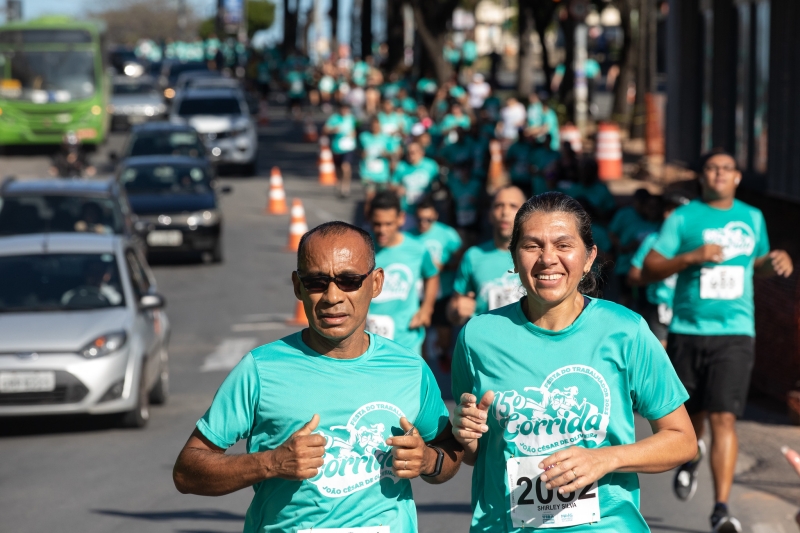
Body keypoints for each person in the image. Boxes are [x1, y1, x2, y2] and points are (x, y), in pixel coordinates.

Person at [173, 221, 463, 532]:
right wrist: (270, 463)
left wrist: (428, 461)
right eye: (316, 282)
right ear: (298, 286)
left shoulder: (410, 368)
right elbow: (186, 472)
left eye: (349, 280)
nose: (332, 296)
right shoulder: (260, 369)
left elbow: (449, 450)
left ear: (376, 283)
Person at [451, 191, 697, 532]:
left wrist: (605, 458)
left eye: (563, 245)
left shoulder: (625, 330)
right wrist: (466, 436)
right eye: (532, 245)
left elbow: (681, 439)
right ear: (513, 256)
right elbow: (477, 454)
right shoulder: (478, 336)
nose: (547, 258)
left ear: (588, 257)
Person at [642, 151, 794, 533]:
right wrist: (693, 256)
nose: (720, 174)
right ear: (703, 176)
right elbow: (650, 267)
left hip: (736, 332)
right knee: (691, 421)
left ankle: (720, 510)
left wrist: (775, 260)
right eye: (712, 168)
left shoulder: (752, 217)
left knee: (725, 416)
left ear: (738, 177)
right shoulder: (684, 217)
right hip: (689, 331)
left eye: (727, 168)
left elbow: (755, 262)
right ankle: (692, 455)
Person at [367, 192, 440, 355]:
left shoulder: (417, 249)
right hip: (368, 340)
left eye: (388, 224)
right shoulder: (362, 247)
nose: (382, 230)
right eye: (377, 224)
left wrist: (426, 309)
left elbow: (432, 275)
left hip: (406, 339)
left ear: (401, 218)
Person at [449, 186, 527, 325]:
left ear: (525, 215)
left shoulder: (538, 256)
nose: (505, 212)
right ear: (490, 214)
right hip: (483, 343)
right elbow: (453, 310)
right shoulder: (473, 256)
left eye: (513, 206)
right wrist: (457, 310)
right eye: (498, 206)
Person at [628, 194, 688, 347]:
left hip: (690, 309)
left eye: (677, 211)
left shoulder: (698, 242)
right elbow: (633, 276)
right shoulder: (653, 240)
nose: (669, 215)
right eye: (668, 210)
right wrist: (658, 272)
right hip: (660, 308)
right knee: (661, 360)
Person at [410, 197, 463, 368]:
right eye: (420, 219)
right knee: (420, 337)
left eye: (429, 219)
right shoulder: (408, 237)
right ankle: (423, 370)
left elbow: (462, 261)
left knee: (445, 338)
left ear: (436, 216)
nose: (423, 223)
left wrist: (445, 266)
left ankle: (442, 351)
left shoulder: (447, 234)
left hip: (443, 293)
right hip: (418, 295)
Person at [359, 116, 398, 212]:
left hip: (382, 175)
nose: (375, 127)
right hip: (367, 173)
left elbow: (393, 155)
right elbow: (358, 151)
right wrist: (362, 154)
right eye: (373, 125)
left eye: (377, 125)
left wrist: (386, 155)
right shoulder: (364, 136)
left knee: (382, 200)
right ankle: (366, 221)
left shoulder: (386, 138)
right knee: (369, 198)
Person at [391, 141, 440, 216]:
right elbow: (392, 184)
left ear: (421, 152)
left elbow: (438, 183)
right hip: (407, 209)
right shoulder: (401, 166)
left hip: (426, 209)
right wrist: (398, 188)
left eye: (413, 152)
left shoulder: (431, 165)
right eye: (408, 153)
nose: (410, 155)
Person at [322, 104, 357, 197]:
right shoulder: (334, 118)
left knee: (345, 167)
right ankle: (339, 182)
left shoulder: (351, 118)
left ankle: (346, 187)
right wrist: (334, 130)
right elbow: (325, 129)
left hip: (348, 147)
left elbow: (355, 129)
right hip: (337, 147)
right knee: (338, 168)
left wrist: (353, 134)